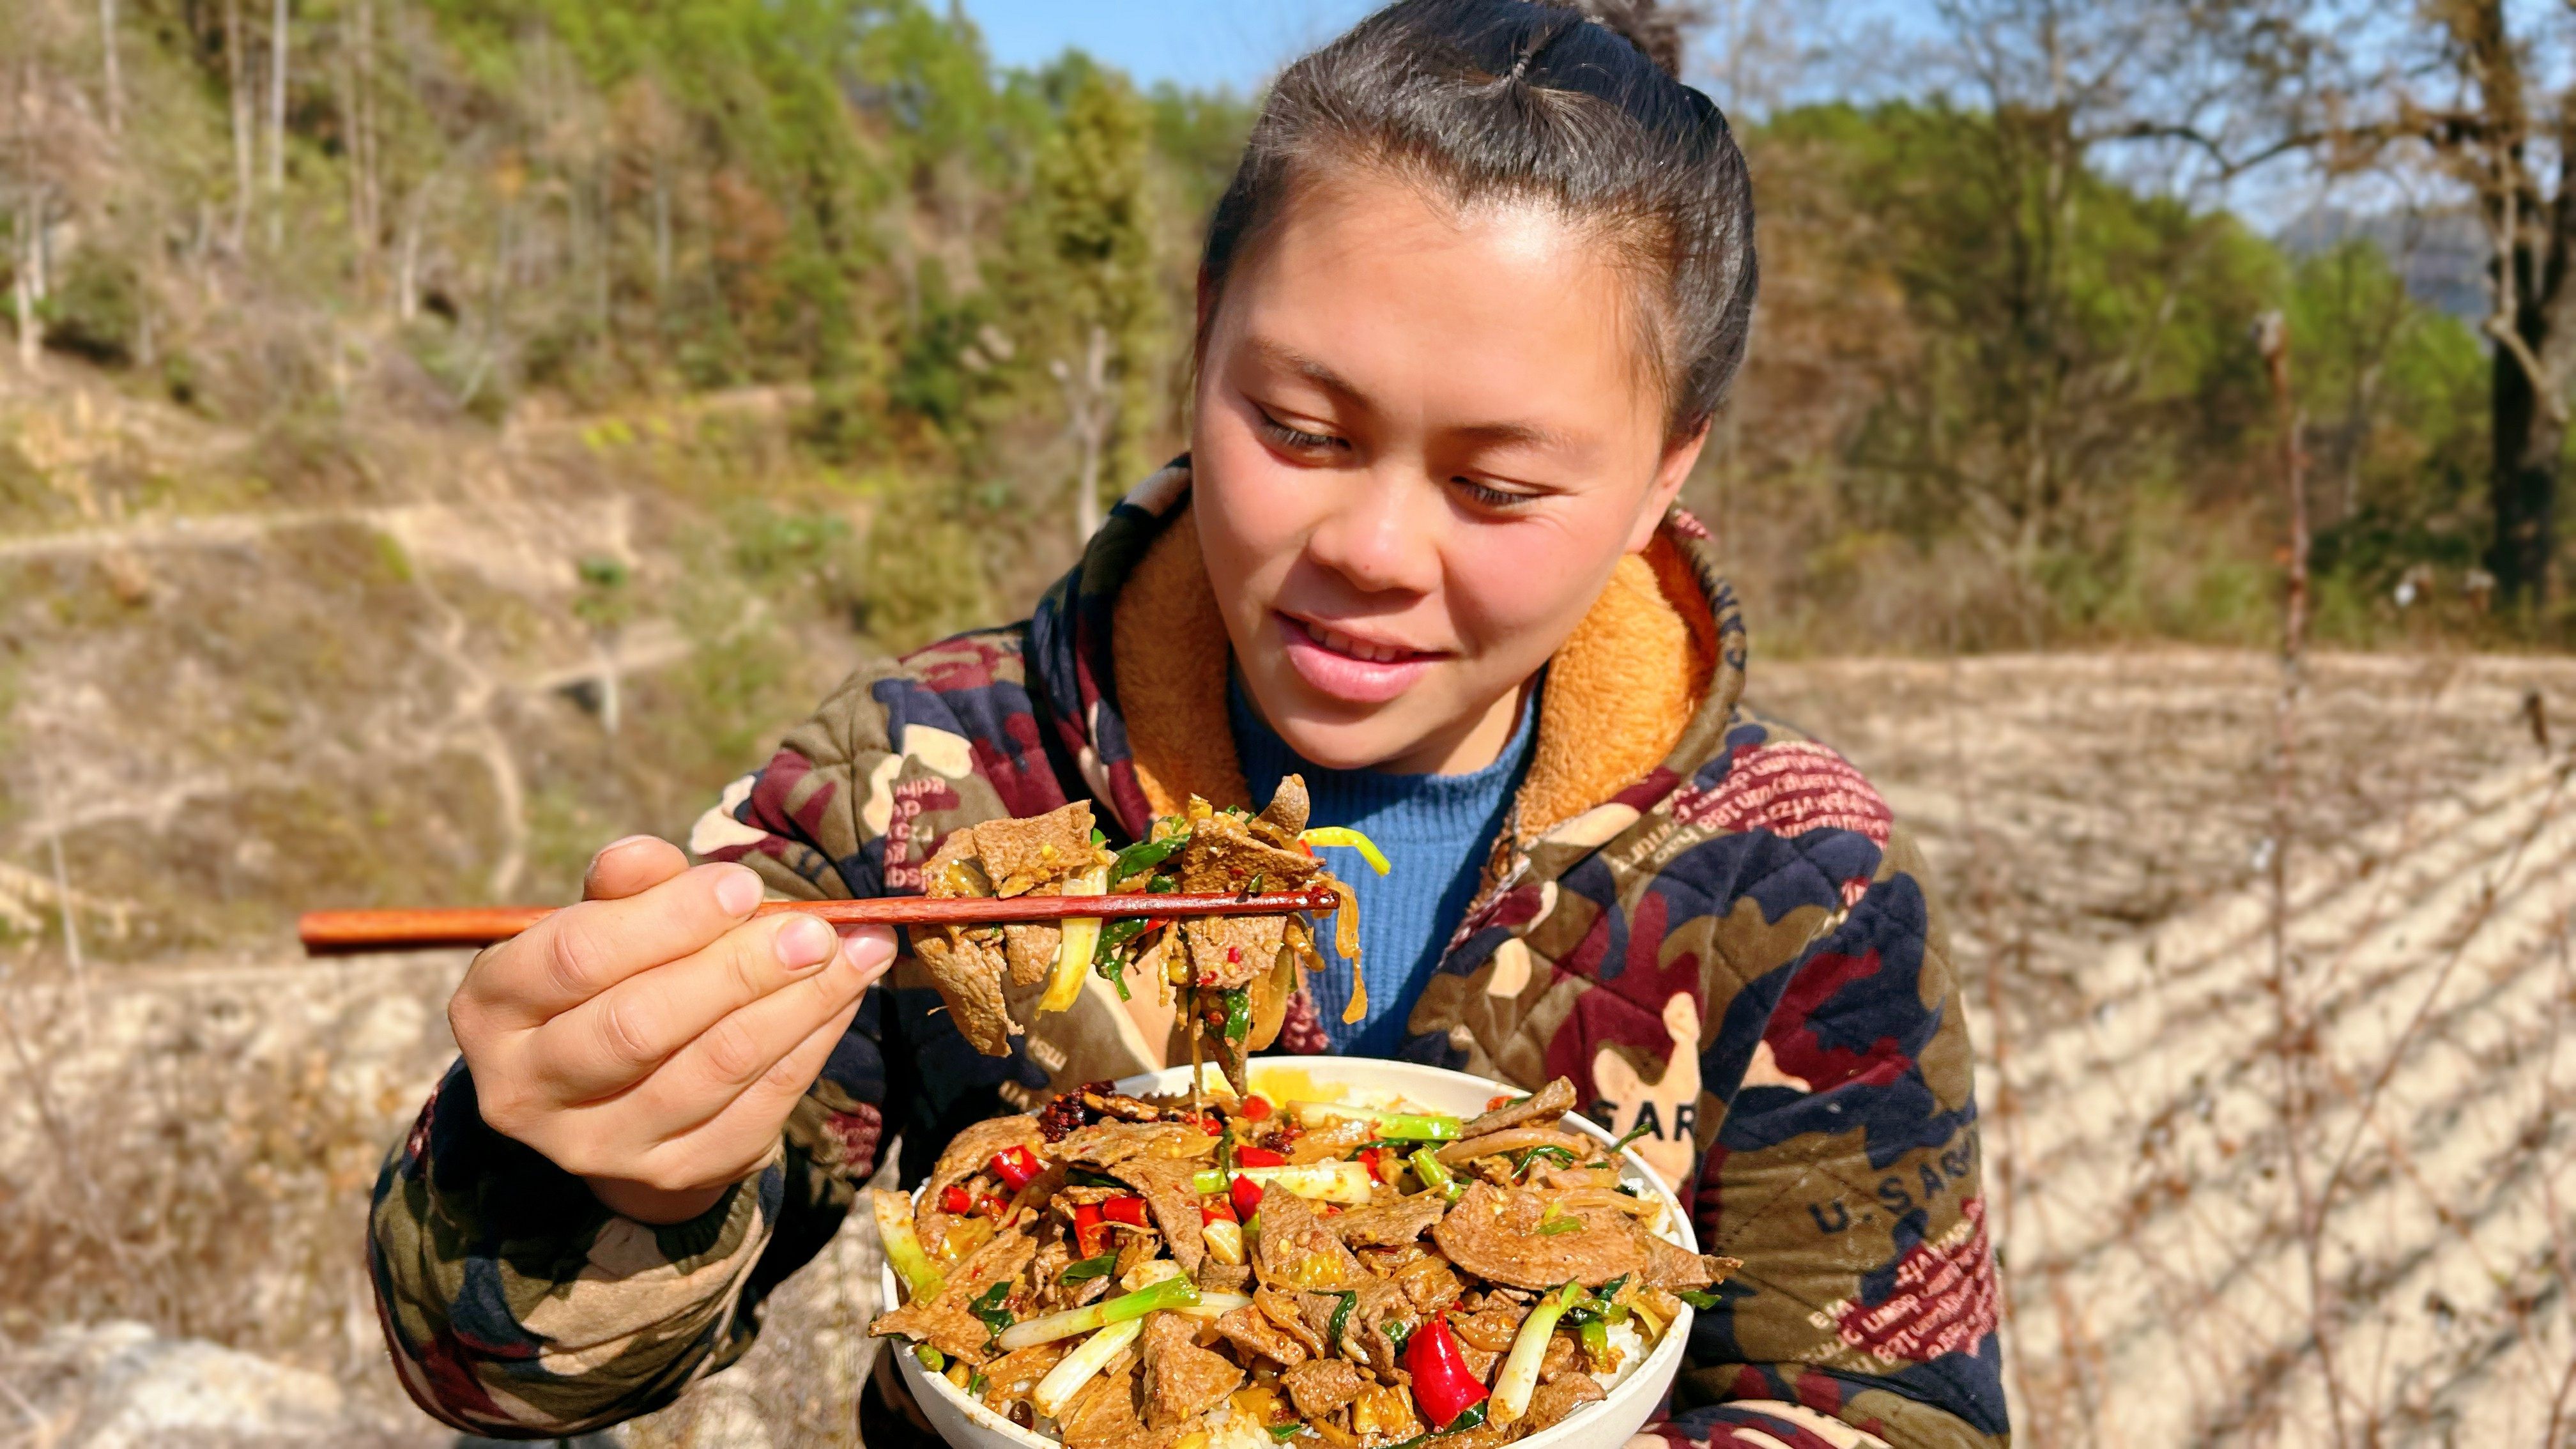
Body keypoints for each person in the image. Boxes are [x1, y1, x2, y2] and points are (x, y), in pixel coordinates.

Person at [366, 3, 2007, 1446]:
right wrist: (594, 1166)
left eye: (1498, 487)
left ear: (1668, 470)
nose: (1371, 551)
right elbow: (494, 1376)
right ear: (1201, 325)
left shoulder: (1796, 876)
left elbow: (1890, 1413)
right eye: (1297, 426)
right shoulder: (926, 788)